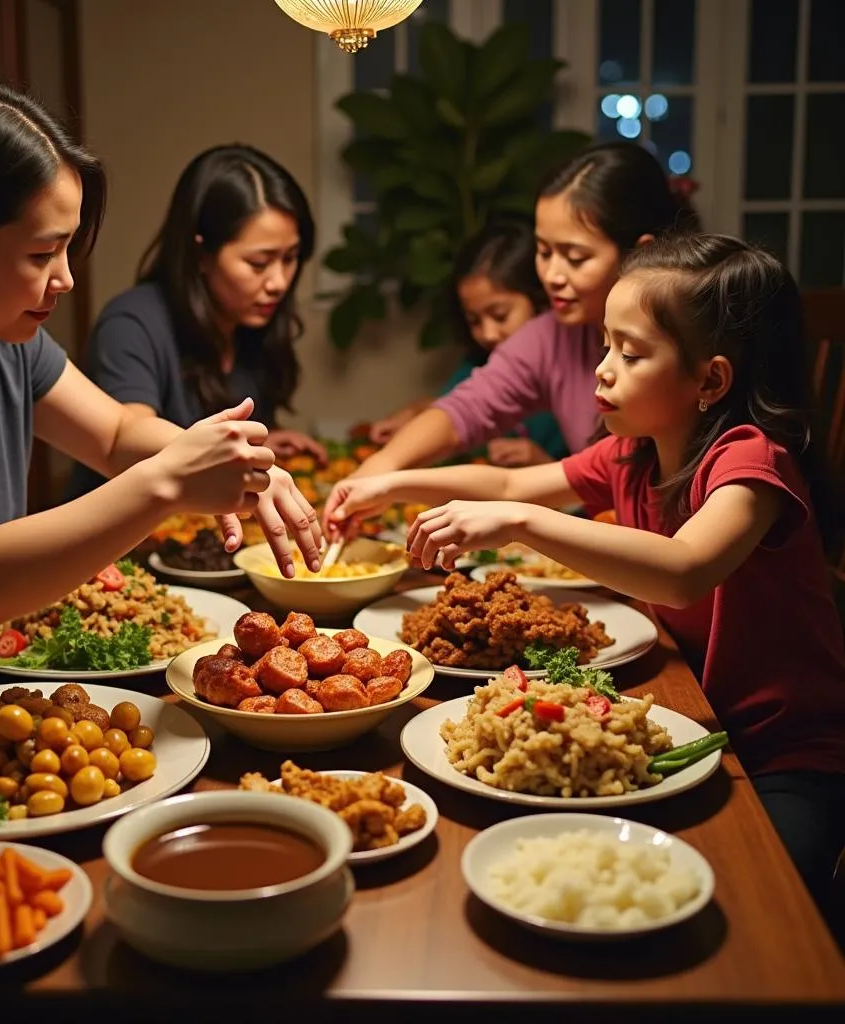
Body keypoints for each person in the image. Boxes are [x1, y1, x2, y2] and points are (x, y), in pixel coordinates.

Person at [327, 233, 845, 921]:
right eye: (606, 345)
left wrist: (517, 522)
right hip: (686, 724)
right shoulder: (633, 452)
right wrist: (391, 486)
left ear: (710, 381)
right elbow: (511, 479)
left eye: (630, 355)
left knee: (759, 914)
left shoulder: (751, 463)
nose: (602, 370)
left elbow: (685, 572)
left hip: (785, 759)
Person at [0, 74, 322, 729]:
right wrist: (169, 482)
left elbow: (114, 434)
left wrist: (235, 461)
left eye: (68, 246)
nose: (66, 278)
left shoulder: (0, 333)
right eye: (42, 252)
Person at [322, 141, 696, 534]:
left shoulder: (696, 350)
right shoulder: (552, 337)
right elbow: (467, 414)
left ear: (638, 255)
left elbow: (687, 562)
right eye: (543, 250)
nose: (552, 274)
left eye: (575, 257)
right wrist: (381, 472)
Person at [68, 143, 325, 500]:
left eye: (291, 258)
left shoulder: (251, 323)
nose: (279, 282)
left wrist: (265, 444)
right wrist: (236, 458)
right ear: (201, 253)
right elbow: (130, 442)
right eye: (259, 263)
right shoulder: (130, 324)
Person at [369, 218, 566, 466]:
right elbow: (456, 408)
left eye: (500, 315)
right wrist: (414, 416)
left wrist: (545, 466)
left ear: (542, 301)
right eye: (474, 320)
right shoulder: (480, 361)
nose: (488, 333)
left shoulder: (576, 368)